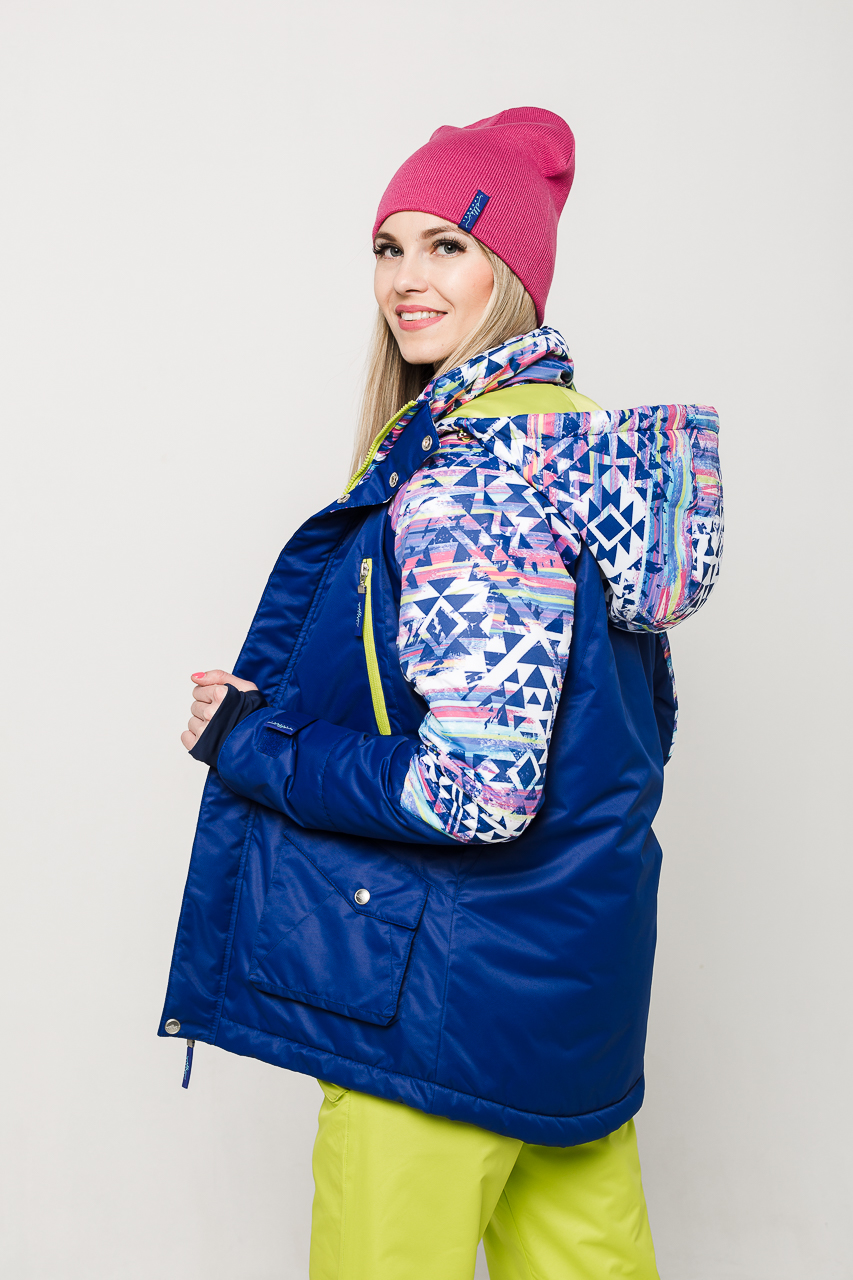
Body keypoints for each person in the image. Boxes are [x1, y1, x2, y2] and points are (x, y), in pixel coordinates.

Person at [161, 107, 723, 1279]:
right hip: (573, 994)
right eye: (388, 247)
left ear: (510, 270)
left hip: (437, 1015)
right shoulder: (586, 462)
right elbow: (627, 738)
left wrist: (256, 741)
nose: (405, 281)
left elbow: (478, 793)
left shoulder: (471, 483)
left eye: (447, 245)